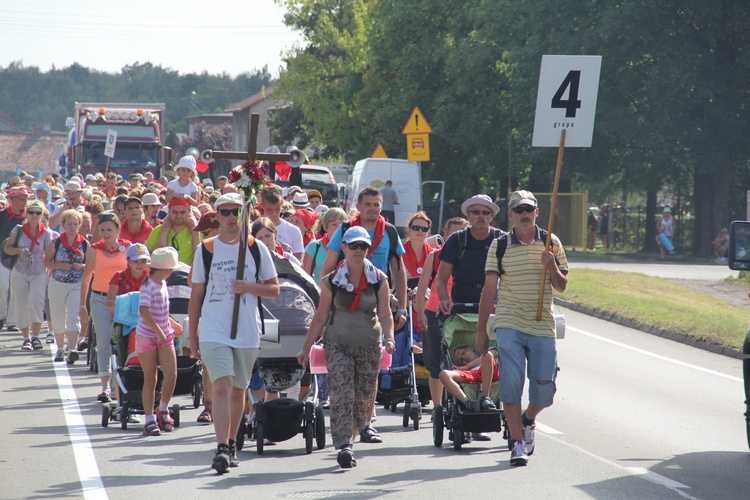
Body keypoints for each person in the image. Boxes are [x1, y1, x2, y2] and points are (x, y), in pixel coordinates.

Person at [188, 192, 279, 474]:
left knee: (239, 389)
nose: (230, 217)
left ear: (244, 215)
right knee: (222, 385)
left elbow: (274, 289)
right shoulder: (206, 249)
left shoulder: (255, 248)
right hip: (214, 329)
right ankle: (221, 448)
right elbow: (196, 295)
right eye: (224, 212)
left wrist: (248, 287)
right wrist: (193, 337)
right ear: (216, 216)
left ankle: (232, 441)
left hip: (247, 330)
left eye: (235, 212)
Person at [476, 190, 569, 466]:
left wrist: (552, 266)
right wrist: (482, 329)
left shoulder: (551, 242)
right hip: (509, 322)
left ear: (537, 213)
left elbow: (562, 286)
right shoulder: (500, 245)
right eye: (519, 210)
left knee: (544, 390)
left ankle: (529, 419)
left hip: (542, 324)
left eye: (529, 209)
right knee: (512, 385)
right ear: (512, 215)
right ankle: (517, 443)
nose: (525, 214)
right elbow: (489, 289)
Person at [297, 226, 396, 469]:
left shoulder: (379, 279)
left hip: (369, 345)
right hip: (337, 343)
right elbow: (320, 317)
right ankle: (344, 445)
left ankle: (350, 439)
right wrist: (304, 348)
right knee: (342, 393)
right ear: (343, 247)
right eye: (354, 245)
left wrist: (390, 338)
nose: (358, 250)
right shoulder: (331, 281)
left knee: (362, 399)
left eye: (363, 246)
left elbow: (385, 314)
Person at [319, 187, 408, 443]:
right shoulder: (346, 230)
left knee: (371, 368)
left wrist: (401, 306)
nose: (373, 208)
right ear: (359, 205)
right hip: (345, 299)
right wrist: (323, 302)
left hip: (376, 301)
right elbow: (328, 265)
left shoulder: (389, 231)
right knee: (347, 375)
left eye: (377, 204)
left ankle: (366, 421)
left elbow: (399, 271)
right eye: (368, 204)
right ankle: (347, 427)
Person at [415, 217, 469, 408]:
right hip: (434, 313)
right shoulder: (436, 256)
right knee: (435, 364)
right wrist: (420, 313)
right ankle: (437, 407)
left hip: (463, 315)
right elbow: (422, 289)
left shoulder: (473, 257)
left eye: (463, 232)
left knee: (464, 360)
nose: (459, 237)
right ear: (446, 235)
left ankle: (465, 406)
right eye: (455, 233)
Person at [80, 213, 131, 403]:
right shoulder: (94, 249)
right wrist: (82, 306)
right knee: (103, 341)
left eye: (110, 229)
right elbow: (86, 278)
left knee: (123, 341)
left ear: (118, 230)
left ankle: (121, 384)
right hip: (100, 299)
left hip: (123, 300)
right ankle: (105, 387)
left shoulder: (128, 248)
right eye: (102, 230)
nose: (106, 233)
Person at [137, 247, 180, 436]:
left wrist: (170, 324)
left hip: (164, 335)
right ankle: (149, 418)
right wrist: (158, 331)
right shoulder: (148, 286)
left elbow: (160, 310)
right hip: (148, 336)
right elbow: (144, 311)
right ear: (164, 269)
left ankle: (162, 408)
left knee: (171, 374)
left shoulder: (161, 283)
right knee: (150, 378)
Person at [4, 200, 56, 350]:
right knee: (20, 304)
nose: (34, 215)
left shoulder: (46, 233)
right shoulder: (18, 230)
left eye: (38, 213)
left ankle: (35, 337)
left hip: (39, 271)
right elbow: (8, 249)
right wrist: (20, 251)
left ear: (41, 215)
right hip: (20, 270)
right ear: (26, 214)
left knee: (36, 302)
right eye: (31, 212)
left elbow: (50, 254)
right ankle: (25, 338)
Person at [43, 209, 87, 363]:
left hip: (77, 284)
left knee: (73, 316)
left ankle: (72, 349)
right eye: (69, 224)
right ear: (63, 224)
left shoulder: (84, 243)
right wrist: (60, 265)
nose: (72, 227)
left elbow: (89, 265)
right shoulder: (57, 242)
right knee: (58, 315)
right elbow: (46, 262)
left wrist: (80, 266)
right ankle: (60, 349)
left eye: (75, 224)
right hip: (58, 283)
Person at [0, 186, 29, 330]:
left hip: (21, 256)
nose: (24, 202)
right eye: (21, 199)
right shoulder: (2, 215)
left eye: (25, 199)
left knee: (16, 288)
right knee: (3, 286)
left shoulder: (28, 217)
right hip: (2, 255)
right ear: (12, 200)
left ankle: (11, 321)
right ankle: (1, 316)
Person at [439, 344, 499, 412]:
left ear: (469, 348)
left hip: (491, 371)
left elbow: (490, 354)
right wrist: (465, 368)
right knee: (443, 374)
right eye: (461, 360)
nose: (463, 357)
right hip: (472, 373)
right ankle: (468, 403)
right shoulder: (465, 369)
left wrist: (467, 366)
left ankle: (485, 397)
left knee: (487, 355)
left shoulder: (490, 350)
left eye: (463, 353)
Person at [146, 198, 197, 265]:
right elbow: (146, 255)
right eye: (175, 212)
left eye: (183, 212)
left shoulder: (196, 232)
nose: (179, 216)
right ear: (169, 212)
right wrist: (155, 254)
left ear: (189, 212)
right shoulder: (158, 230)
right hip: (164, 273)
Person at [259, 184, 305, 261]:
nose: (274, 214)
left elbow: (298, 264)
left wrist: (286, 252)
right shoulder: (253, 228)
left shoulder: (294, 231)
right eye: (269, 209)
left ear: (282, 205)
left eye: (277, 209)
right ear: (261, 205)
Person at [303, 207, 347, 284]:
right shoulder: (314, 246)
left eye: (341, 224)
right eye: (334, 224)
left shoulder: (351, 247)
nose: (338, 227)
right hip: (318, 293)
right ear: (326, 227)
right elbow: (305, 278)